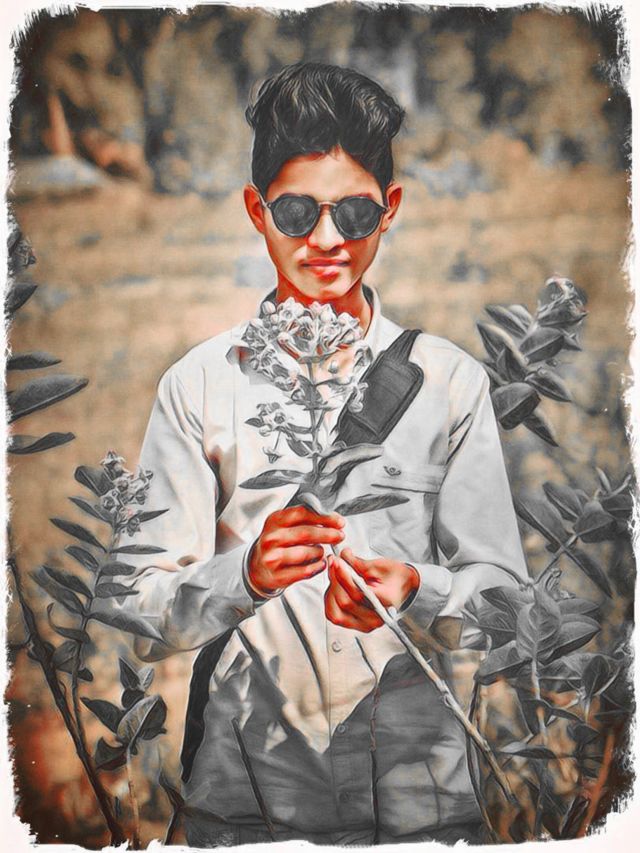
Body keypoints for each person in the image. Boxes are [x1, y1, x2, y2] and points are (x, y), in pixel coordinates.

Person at [111, 62, 528, 846]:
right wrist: (246, 574)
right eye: (298, 212)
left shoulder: (448, 381)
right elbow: (139, 607)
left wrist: (419, 588)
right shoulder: (199, 385)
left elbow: (506, 601)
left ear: (390, 209)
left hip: (419, 801)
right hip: (250, 797)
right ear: (257, 210)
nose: (328, 241)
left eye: (356, 213)